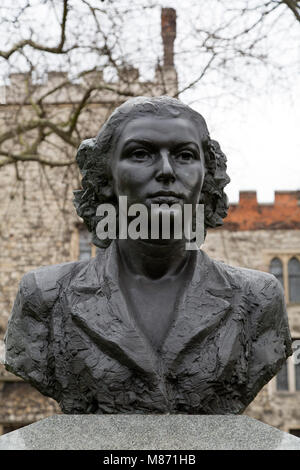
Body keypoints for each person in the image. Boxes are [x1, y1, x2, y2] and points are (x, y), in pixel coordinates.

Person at [4, 96, 292, 414]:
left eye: (184, 155)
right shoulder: (44, 298)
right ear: (107, 175)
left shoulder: (258, 299)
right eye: (140, 154)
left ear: (205, 175)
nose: (166, 171)